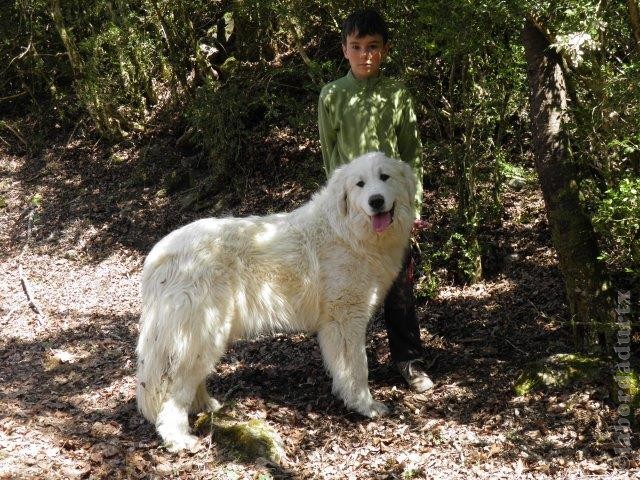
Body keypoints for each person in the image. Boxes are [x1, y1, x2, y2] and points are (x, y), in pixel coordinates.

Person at [318, 8, 433, 392]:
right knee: (348, 291)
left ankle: (409, 360)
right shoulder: (332, 95)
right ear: (344, 50)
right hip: (352, 215)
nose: (365, 54)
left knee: (399, 287)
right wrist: (337, 209)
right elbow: (329, 156)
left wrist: (412, 204)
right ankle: (349, 371)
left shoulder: (396, 93)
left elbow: (411, 153)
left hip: (393, 211)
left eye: (372, 47)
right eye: (356, 47)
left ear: (384, 50)